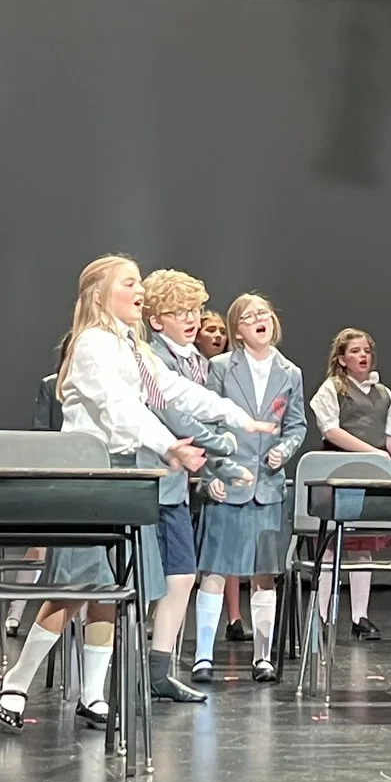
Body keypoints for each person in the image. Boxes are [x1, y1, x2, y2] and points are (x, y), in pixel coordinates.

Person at [0, 255, 256, 731]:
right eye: (129, 282)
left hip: (123, 475)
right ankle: (17, 679)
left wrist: (235, 416)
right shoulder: (93, 343)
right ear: (101, 294)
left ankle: (93, 695)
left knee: (111, 590)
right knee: (74, 587)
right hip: (91, 474)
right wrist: (168, 444)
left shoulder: (131, 345)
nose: (140, 290)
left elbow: (170, 390)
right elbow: (119, 407)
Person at [139, 267, 261, 699]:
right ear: (157, 320)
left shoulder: (197, 362)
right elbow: (173, 415)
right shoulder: (151, 358)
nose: (191, 319)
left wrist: (218, 469)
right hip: (145, 482)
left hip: (174, 486)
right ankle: (122, 669)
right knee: (143, 581)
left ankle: (158, 670)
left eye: (194, 309)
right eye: (179, 312)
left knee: (182, 576)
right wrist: (223, 449)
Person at [201, 294, 306, 682]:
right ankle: (203, 656)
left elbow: (296, 425)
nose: (260, 319)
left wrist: (285, 449)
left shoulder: (290, 372)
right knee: (215, 569)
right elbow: (208, 423)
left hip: (268, 486)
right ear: (238, 331)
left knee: (265, 572)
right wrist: (213, 473)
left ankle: (263, 657)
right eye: (249, 316)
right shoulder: (221, 367)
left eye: (264, 313)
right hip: (230, 481)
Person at [307, 327, 391, 640]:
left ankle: (360, 616)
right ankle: (322, 614)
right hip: (338, 471)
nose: (362, 356)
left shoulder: (383, 394)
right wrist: (370, 452)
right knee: (330, 547)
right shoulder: (332, 389)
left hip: (371, 475)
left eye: (366, 350)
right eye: (355, 351)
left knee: (362, 546)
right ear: (342, 359)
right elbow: (331, 430)